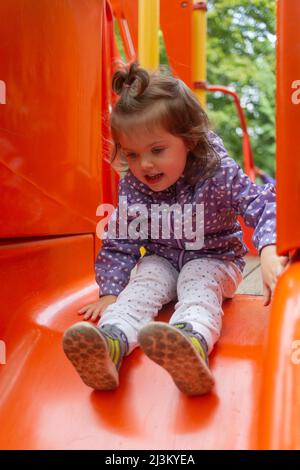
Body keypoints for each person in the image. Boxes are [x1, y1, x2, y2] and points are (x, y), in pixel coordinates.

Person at [63, 61, 288, 395]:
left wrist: (269, 249)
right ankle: (111, 343)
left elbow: (257, 203)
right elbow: (122, 239)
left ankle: (192, 340)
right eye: (133, 154)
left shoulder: (216, 172)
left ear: (189, 140)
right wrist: (110, 291)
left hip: (216, 259)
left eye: (157, 150)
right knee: (144, 283)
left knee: (196, 281)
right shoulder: (135, 186)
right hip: (163, 257)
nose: (145, 164)